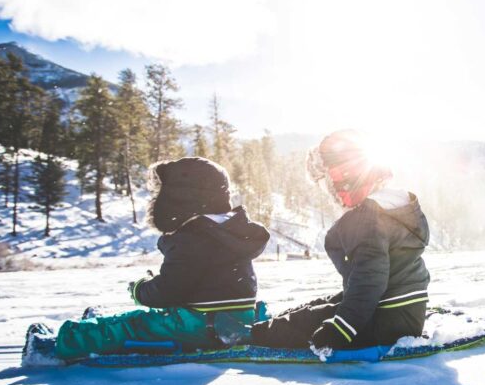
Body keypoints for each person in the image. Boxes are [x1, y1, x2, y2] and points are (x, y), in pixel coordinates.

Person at [23, 157, 270, 364]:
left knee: (130, 326)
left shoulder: (194, 237)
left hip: (199, 326)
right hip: (236, 319)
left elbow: (168, 292)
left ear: (180, 199)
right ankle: (89, 327)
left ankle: (58, 344)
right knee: (153, 319)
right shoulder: (231, 231)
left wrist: (140, 289)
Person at [250, 130, 431, 354]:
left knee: (302, 325)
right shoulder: (395, 207)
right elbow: (367, 281)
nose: (329, 194)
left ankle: (250, 335)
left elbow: (369, 281)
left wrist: (340, 330)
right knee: (318, 307)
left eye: (327, 184)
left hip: (384, 320)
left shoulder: (366, 218)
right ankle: (270, 324)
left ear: (346, 179)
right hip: (403, 311)